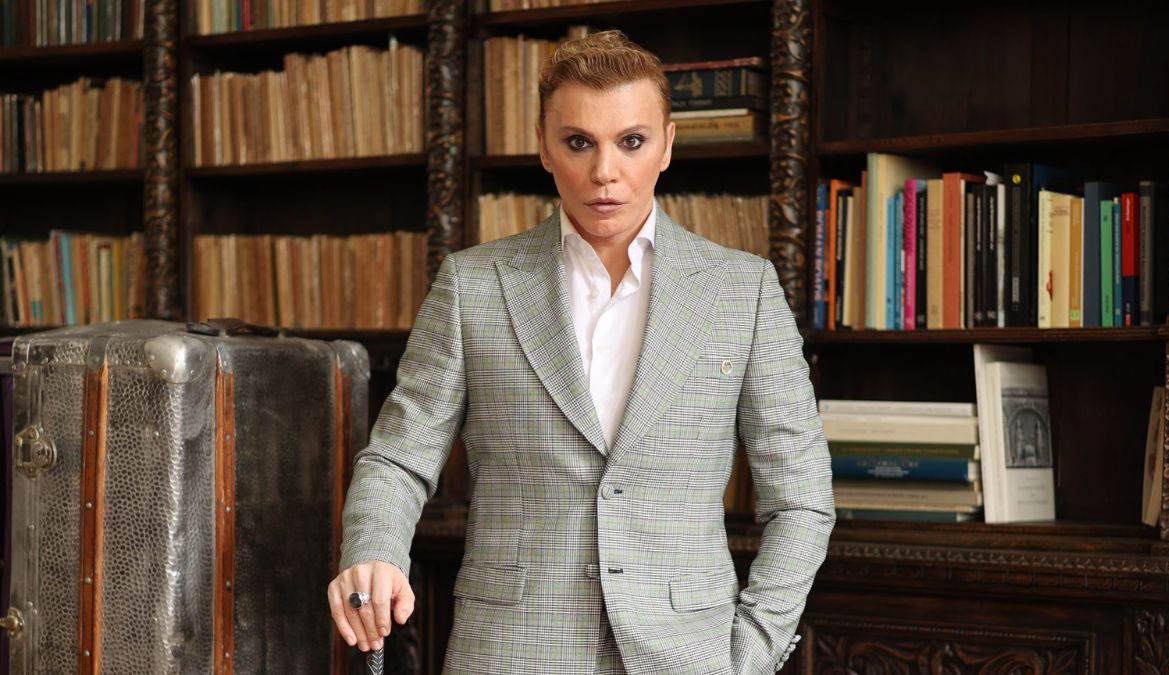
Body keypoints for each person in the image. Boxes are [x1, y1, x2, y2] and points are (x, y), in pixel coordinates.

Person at [328, 30, 834, 675]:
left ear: (667, 145)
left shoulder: (744, 290)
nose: (604, 172)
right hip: (512, 650)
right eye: (578, 142)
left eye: (631, 142)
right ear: (544, 145)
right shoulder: (472, 286)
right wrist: (373, 550)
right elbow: (399, 459)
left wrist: (751, 651)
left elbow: (802, 499)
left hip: (691, 654)